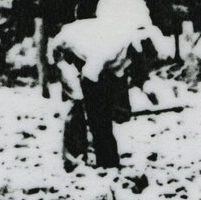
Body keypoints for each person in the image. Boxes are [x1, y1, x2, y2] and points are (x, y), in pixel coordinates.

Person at [51, 12, 159, 171]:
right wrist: (97, 114)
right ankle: (75, 160)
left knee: (104, 115)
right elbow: (89, 79)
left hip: (90, 55)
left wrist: (146, 92)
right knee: (83, 108)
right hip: (66, 55)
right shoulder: (110, 49)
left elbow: (136, 74)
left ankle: (107, 160)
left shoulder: (132, 48)